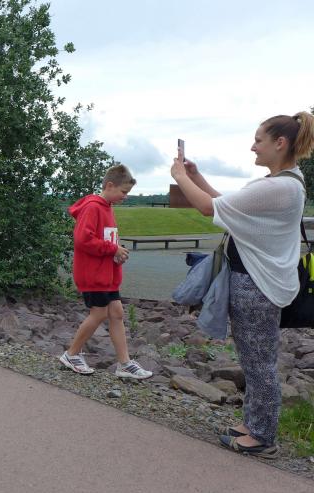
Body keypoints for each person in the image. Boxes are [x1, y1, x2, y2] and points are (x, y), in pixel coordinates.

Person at [171, 112, 314, 459]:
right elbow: (229, 206)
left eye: (258, 140)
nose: (253, 147)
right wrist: (197, 176)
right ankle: (253, 424)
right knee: (254, 360)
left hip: (257, 285)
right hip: (259, 282)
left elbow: (208, 208)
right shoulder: (285, 182)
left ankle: (263, 437)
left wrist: (179, 177)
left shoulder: (277, 187)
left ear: (280, 143)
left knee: (259, 364)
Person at [61, 164, 153, 380]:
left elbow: (105, 239)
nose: (125, 197)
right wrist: (113, 249)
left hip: (107, 274)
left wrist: (117, 252)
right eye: (123, 192)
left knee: (117, 313)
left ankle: (124, 363)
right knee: (99, 313)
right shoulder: (93, 207)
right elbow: (83, 239)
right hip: (93, 274)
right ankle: (71, 354)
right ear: (110, 185)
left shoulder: (107, 207)